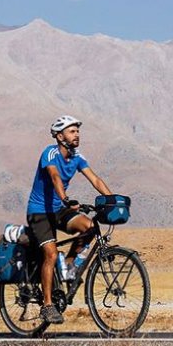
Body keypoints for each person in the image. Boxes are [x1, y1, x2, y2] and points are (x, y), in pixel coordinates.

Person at [26, 115, 113, 324]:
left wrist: (112, 200)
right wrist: (65, 198)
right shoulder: (50, 153)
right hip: (39, 212)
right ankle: (47, 305)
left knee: (91, 226)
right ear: (59, 135)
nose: (77, 134)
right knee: (50, 253)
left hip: (58, 210)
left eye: (77, 131)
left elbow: (95, 179)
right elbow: (55, 176)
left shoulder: (77, 157)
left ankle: (70, 265)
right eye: (72, 131)